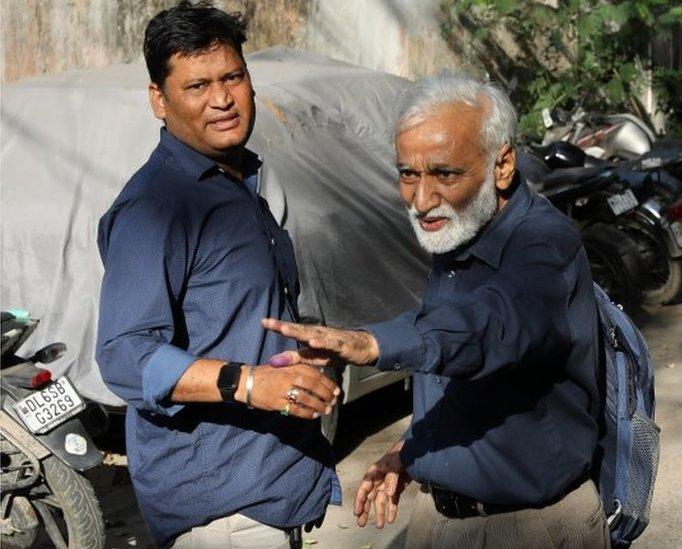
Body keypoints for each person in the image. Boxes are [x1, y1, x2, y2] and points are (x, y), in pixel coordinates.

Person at [263, 75, 611, 548]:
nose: (421, 200)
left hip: (527, 529)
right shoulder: (460, 229)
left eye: (445, 174)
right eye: (408, 174)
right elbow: (459, 377)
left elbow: (487, 327)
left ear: (502, 164)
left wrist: (371, 344)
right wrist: (411, 452)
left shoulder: (543, 245)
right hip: (442, 518)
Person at [95, 2, 341, 547]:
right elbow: (124, 353)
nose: (223, 99)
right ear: (159, 100)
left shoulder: (239, 182)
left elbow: (234, 321)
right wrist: (249, 382)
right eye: (197, 86)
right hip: (224, 510)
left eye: (233, 77)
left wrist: (299, 356)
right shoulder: (155, 206)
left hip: (273, 487)